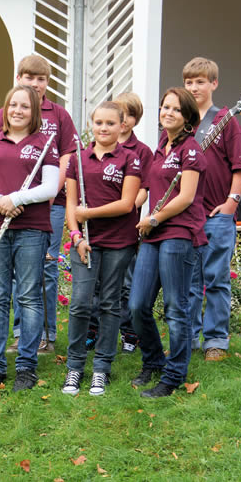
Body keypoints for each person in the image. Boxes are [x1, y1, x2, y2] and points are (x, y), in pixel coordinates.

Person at [0, 54, 77, 355]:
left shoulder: (59, 115)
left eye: (41, 79)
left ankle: (45, 336)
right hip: (7, 207)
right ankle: (20, 334)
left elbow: (67, 157)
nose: (35, 83)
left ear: (47, 82)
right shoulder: (4, 113)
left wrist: (47, 192)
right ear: (18, 79)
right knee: (14, 275)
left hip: (51, 202)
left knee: (46, 269)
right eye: (29, 77)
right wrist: (6, 201)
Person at [0, 85, 59, 392]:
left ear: (34, 112)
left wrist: (17, 198)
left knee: (29, 297)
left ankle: (26, 366)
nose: (18, 110)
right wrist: (0, 202)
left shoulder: (45, 143)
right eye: (13, 105)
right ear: (5, 109)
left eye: (25, 106)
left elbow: (50, 187)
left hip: (32, 228)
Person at [128, 88, 205, 398]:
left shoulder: (191, 150)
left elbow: (186, 197)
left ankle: (174, 375)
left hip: (179, 233)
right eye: (165, 107)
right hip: (153, 234)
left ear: (187, 117)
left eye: (176, 109)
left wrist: (155, 218)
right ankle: (154, 360)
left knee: (176, 307)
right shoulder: (161, 146)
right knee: (137, 305)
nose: (168, 112)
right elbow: (147, 188)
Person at [62, 102, 141, 396]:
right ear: (91, 125)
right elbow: (71, 204)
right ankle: (74, 366)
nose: (104, 128)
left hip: (119, 243)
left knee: (109, 303)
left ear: (122, 126)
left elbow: (127, 204)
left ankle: (101, 368)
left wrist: (89, 214)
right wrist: (76, 235)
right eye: (98, 123)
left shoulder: (130, 159)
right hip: (85, 243)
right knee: (80, 303)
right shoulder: (77, 159)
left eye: (110, 123)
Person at [183, 57, 241, 362]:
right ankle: (188, 339)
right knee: (188, 282)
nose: (194, 87)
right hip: (186, 216)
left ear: (214, 84)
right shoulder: (181, 121)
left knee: (217, 280)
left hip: (217, 215)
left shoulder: (227, 120)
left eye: (200, 81)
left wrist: (230, 204)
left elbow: (240, 167)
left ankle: (216, 341)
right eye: (189, 82)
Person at [84, 92, 152, 354]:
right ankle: (93, 330)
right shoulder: (93, 149)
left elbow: (143, 189)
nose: (123, 120)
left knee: (124, 285)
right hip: (95, 229)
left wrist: (128, 205)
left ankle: (129, 332)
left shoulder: (141, 151)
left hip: (124, 228)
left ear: (133, 120)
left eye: (129, 115)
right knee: (95, 285)